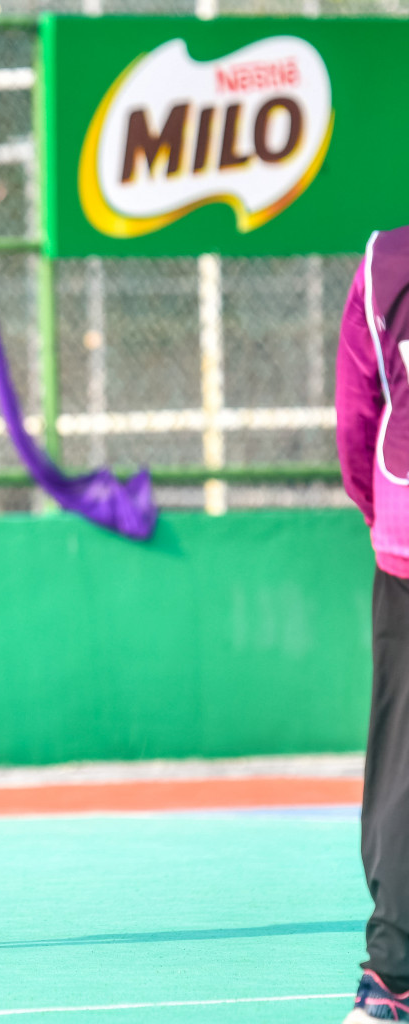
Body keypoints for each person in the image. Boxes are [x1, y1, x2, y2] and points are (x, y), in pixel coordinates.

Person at [337, 226, 409, 1022]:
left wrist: (381, 512)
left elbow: (358, 414)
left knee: (404, 765)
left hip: (407, 533)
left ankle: (391, 982)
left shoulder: (383, 259)